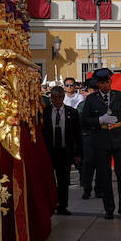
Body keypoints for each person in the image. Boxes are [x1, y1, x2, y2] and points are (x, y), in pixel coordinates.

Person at [79, 68, 121, 219]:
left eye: (107, 82)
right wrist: (99, 120)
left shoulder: (119, 96)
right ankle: (109, 208)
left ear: (111, 82)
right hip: (101, 139)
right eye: (102, 83)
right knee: (104, 175)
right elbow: (84, 119)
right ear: (97, 83)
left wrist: (120, 123)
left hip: (118, 139)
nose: (105, 86)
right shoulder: (91, 99)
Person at [41, 85, 81, 216]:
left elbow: (77, 135)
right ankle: (49, 204)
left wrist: (78, 154)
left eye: (59, 97)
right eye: (54, 97)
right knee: (48, 179)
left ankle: (62, 205)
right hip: (49, 151)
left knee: (63, 180)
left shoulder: (72, 112)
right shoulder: (45, 112)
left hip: (65, 151)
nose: (56, 100)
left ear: (63, 98)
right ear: (51, 98)